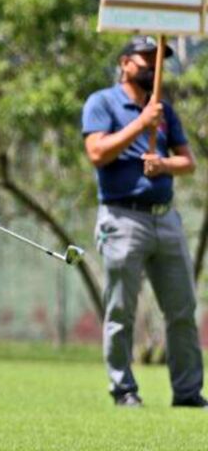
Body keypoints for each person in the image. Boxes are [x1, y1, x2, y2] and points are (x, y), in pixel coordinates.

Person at [82, 35, 207, 409]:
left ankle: (187, 393)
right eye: (145, 58)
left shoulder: (164, 110)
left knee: (183, 310)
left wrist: (164, 164)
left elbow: (188, 162)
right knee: (121, 310)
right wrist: (140, 125)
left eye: (159, 59)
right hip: (122, 219)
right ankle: (124, 390)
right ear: (124, 63)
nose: (153, 65)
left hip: (165, 219)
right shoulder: (102, 103)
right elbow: (97, 153)